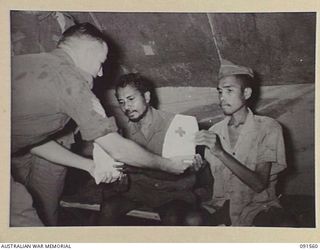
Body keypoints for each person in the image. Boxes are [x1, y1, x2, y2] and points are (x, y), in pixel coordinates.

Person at [11, 23, 191, 227]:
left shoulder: (23, 61)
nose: (100, 73)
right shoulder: (73, 83)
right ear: (88, 53)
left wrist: (90, 166)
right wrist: (169, 165)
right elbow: (118, 149)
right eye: (100, 63)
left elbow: (34, 143)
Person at [98, 73, 212, 226]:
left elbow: (178, 173)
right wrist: (120, 181)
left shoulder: (175, 125)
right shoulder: (122, 131)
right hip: (137, 192)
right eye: (121, 102)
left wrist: (139, 169)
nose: (126, 107)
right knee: (108, 208)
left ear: (146, 97)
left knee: (173, 218)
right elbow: (121, 183)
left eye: (131, 99)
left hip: (173, 193)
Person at [195, 59, 288, 226]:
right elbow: (214, 181)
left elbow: (259, 184)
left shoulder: (268, 127)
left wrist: (220, 152)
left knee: (282, 228)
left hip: (258, 207)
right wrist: (199, 169)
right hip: (221, 206)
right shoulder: (215, 131)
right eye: (220, 92)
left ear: (246, 93)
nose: (222, 98)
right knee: (189, 222)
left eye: (229, 91)